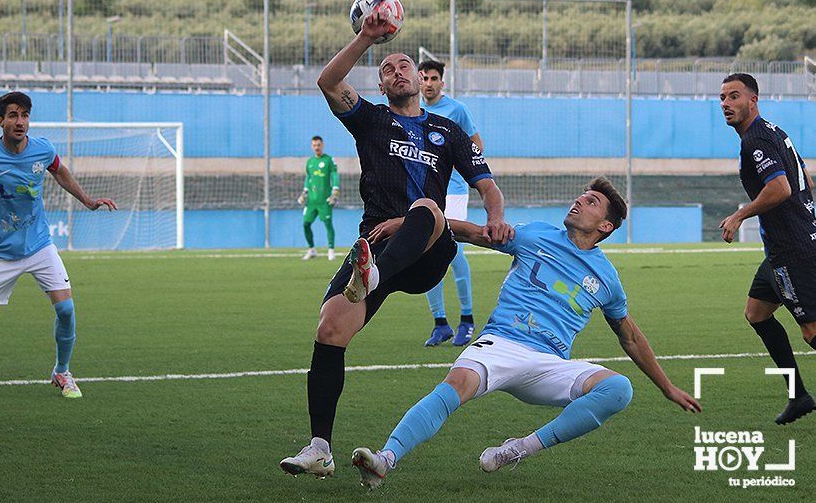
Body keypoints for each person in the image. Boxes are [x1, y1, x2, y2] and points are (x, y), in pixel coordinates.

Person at [349, 177, 702, 489]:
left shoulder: (607, 279)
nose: (579, 200)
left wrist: (667, 387)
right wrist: (412, 224)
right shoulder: (535, 235)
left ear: (606, 226)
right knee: (455, 386)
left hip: (548, 363)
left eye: (591, 201)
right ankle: (386, 460)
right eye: (582, 195)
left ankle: (519, 448)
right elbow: (472, 232)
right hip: (500, 344)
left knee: (618, 389)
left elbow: (631, 336)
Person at [279, 7, 512, 478]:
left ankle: (373, 277)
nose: (397, 71)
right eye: (388, 69)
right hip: (375, 244)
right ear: (382, 87)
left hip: (427, 249)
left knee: (426, 209)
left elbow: (487, 185)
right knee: (329, 331)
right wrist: (367, 37)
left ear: (419, 80)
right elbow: (328, 81)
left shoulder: (448, 131)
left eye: (404, 65)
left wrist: (497, 218)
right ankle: (319, 446)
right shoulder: (370, 121)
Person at [0, 91, 117, 399]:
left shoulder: (43, 149)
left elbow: (60, 171)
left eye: (25, 116)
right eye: (13, 116)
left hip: (39, 247)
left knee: (67, 310)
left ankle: (62, 372)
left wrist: (88, 201)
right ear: (1, 122)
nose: (20, 122)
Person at [718, 73, 816, 424]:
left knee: (812, 332)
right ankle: (799, 396)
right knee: (757, 313)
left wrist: (739, 215)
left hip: (793, 249)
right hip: (785, 246)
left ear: (752, 100)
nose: (727, 104)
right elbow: (803, 177)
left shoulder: (756, 140)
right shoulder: (774, 132)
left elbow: (781, 188)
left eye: (734, 97)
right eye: (723, 99)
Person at [418, 59, 484, 347]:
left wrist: (457, 165)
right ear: (417, 81)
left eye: (434, 78)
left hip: (454, 191)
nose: (429, 83)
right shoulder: (413, 111)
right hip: (423, 193)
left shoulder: (457, 110)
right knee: (425, 253)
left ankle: (467, 319)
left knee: (452, 250)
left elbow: (476, 146)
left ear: (441, 82)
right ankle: (440, 323)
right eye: (424, 78)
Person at [299, 135, 340, 261]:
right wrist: (304, 193)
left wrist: (335, 191)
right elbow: (308, 178)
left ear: (322, 145)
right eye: (314, 145)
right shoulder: (310, 162)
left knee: (328, 224)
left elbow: (334, 175)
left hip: (324, 200)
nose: (316, 147)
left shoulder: (329, 160)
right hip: (311, 201)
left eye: (318, 145)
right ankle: (311, 249)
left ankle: (331, 250)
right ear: (312, 146)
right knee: (306, 224)